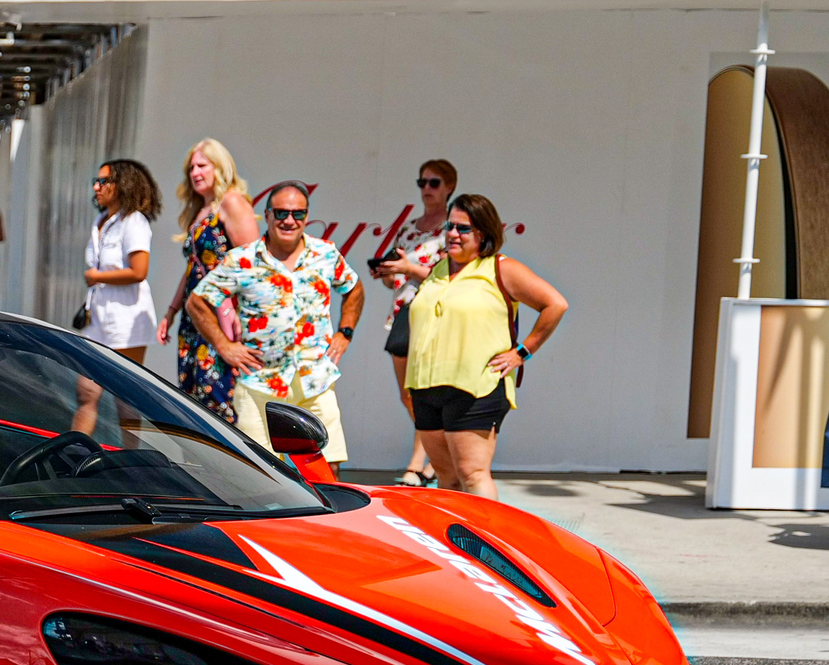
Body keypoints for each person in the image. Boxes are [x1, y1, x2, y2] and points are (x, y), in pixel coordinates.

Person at [394, 192, 568, 498]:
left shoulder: (500, 268)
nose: (452, 234)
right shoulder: (438, 269)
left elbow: (555, 304)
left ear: (483, 233)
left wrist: (522, 352)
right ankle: (456, 546)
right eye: (449, 226)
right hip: (426, 388)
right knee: (446, 481)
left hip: (476, 388)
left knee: (473, 475)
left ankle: (487, 544)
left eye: (463, 228)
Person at [186, 182, 363, 465]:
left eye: (298, 213)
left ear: (307, 216)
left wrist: (345, 332)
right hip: (260, 384)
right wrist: (224, 346)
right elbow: (197, 302)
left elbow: (353, 288)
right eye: (281, 213)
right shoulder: (242, 260)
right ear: (267, 215)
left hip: (314, 380)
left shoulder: (326, 254)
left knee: (326, 473)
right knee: (258, 475)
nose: (289, 220)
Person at [158, 138, 260, 421]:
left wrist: (243, 314)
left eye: (202, 165)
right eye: (191, 167)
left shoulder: (232, 202)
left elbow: (252, 264)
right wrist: (171, 311)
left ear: (220, 167)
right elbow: (193, 268)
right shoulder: (202, 211)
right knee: (194, 404)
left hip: (221, 318)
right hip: (195, 319)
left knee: (218, 402)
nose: (195, 173)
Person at [373, 159, 457, 487]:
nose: (426, 189)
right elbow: (398, 278)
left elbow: (450, 275)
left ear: (449, 187)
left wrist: (408, 269)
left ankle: (418, 463)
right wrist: (388, 272)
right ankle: (437, 456)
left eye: (434, 183)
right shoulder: (411, 226)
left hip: (435, 314)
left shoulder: (454, 227)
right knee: (408, 395)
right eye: (421, 182)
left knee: (423, 393)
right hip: (403, 313)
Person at [81, 158, 161, 361]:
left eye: (103, 181)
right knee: (85, 390)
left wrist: (98, 277)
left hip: (126, 321)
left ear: (123, 184)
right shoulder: (100, 220)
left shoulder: (133, 222)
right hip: (97, 318)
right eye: (95, 181)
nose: (96, 187)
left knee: (121, 390)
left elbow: (139, 272)